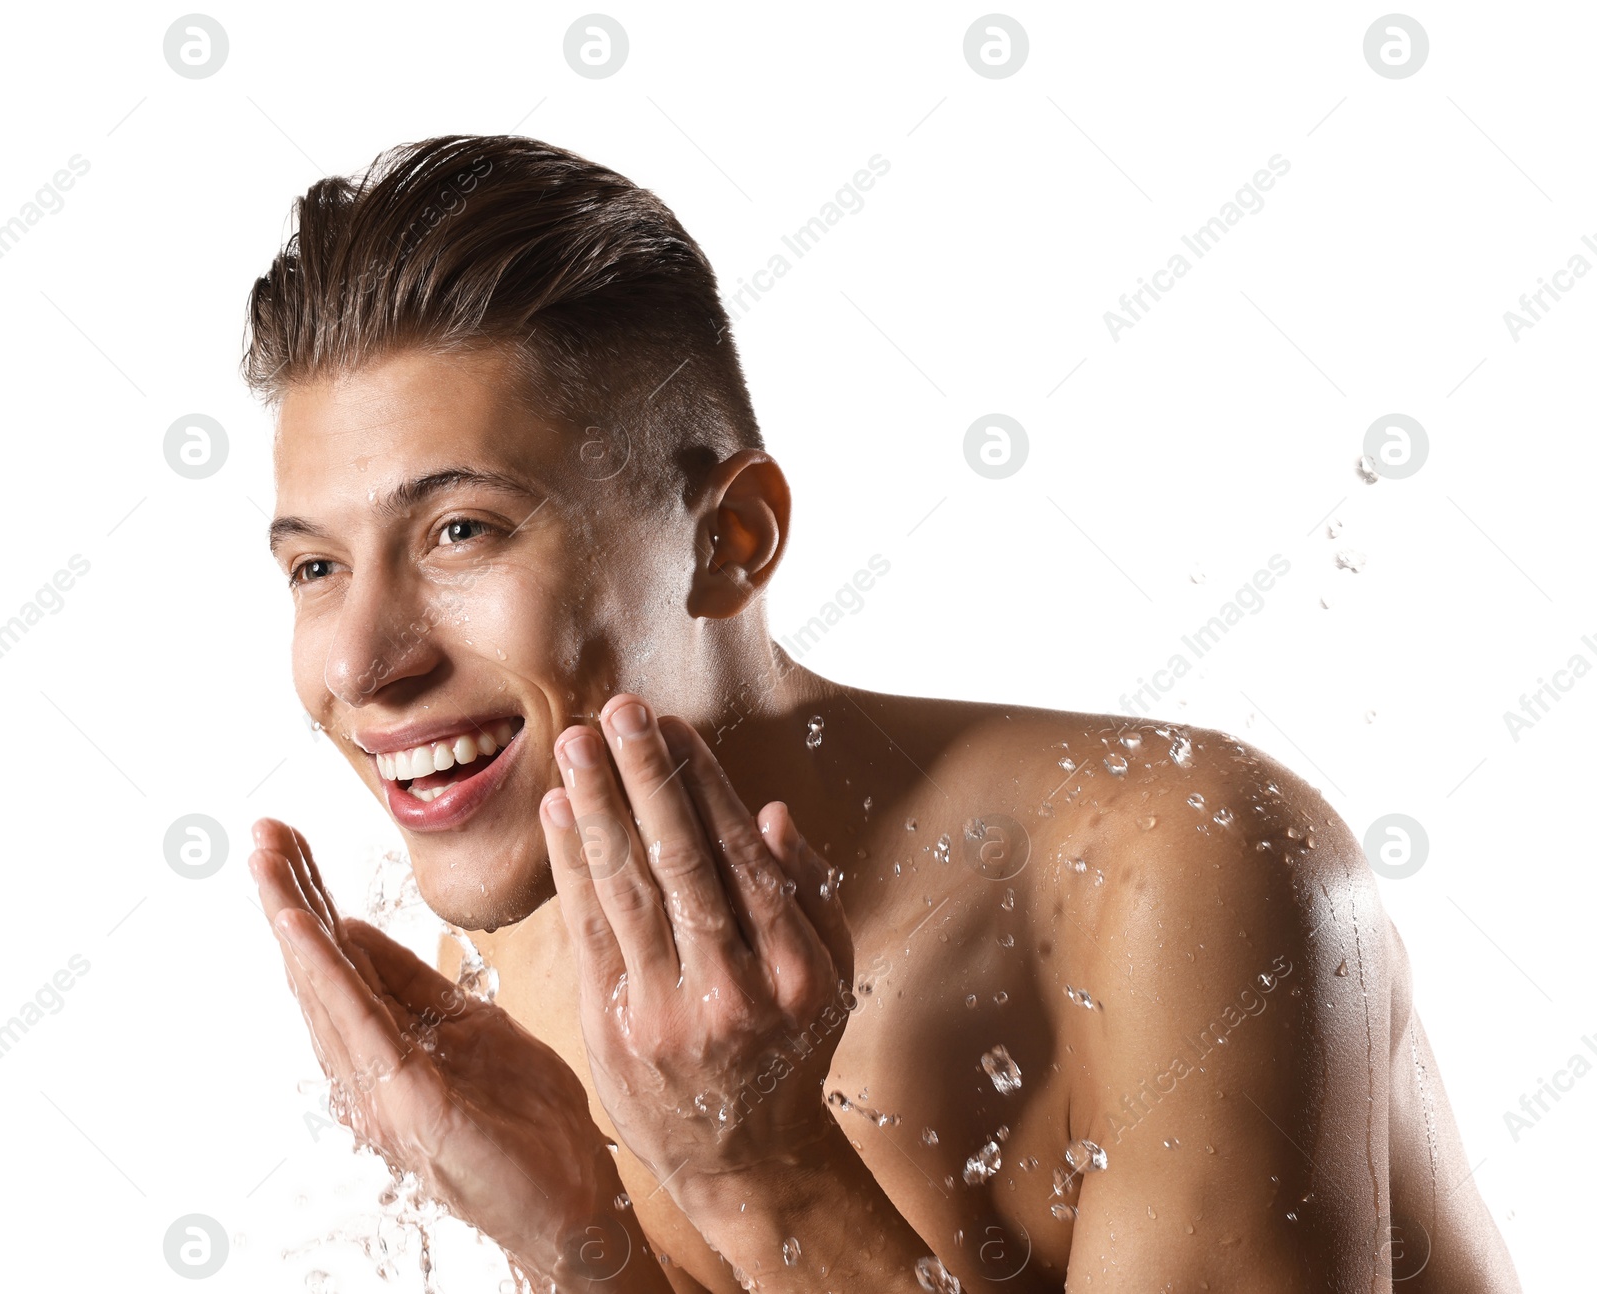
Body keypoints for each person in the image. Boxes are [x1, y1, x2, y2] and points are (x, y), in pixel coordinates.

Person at [244, 134, 1519, 1292]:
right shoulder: (535, 937)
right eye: (315, 566)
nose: (359, 662)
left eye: (460, 531)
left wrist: (771, 1177)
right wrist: (582, 1238)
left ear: (731, 540)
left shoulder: (1177, 873)